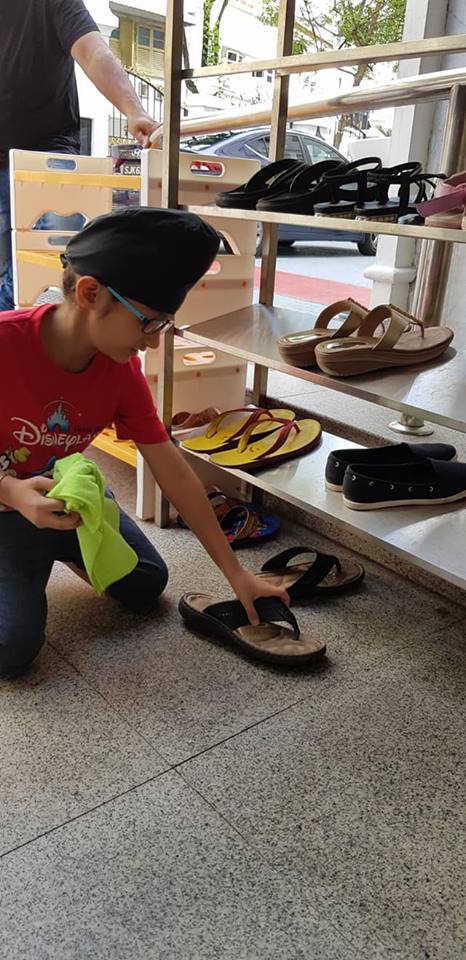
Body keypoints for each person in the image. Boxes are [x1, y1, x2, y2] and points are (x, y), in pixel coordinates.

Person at [0, 207, 288, 679]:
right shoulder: (6, 343)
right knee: (11, 648)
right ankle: (27, 557)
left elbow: (170, 467)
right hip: (6, 503)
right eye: (149, 323)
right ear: (91, 293)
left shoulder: (119, 370)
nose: (153, 343)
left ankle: (54, 546)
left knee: (146, 584)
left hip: (64, 493)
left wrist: (237, 575)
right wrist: (11, 491)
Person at [0, 0, 162, 311]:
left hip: (49, 151)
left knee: (66, 261)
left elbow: (92, 51)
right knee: (12, 278)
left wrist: (134, 110)